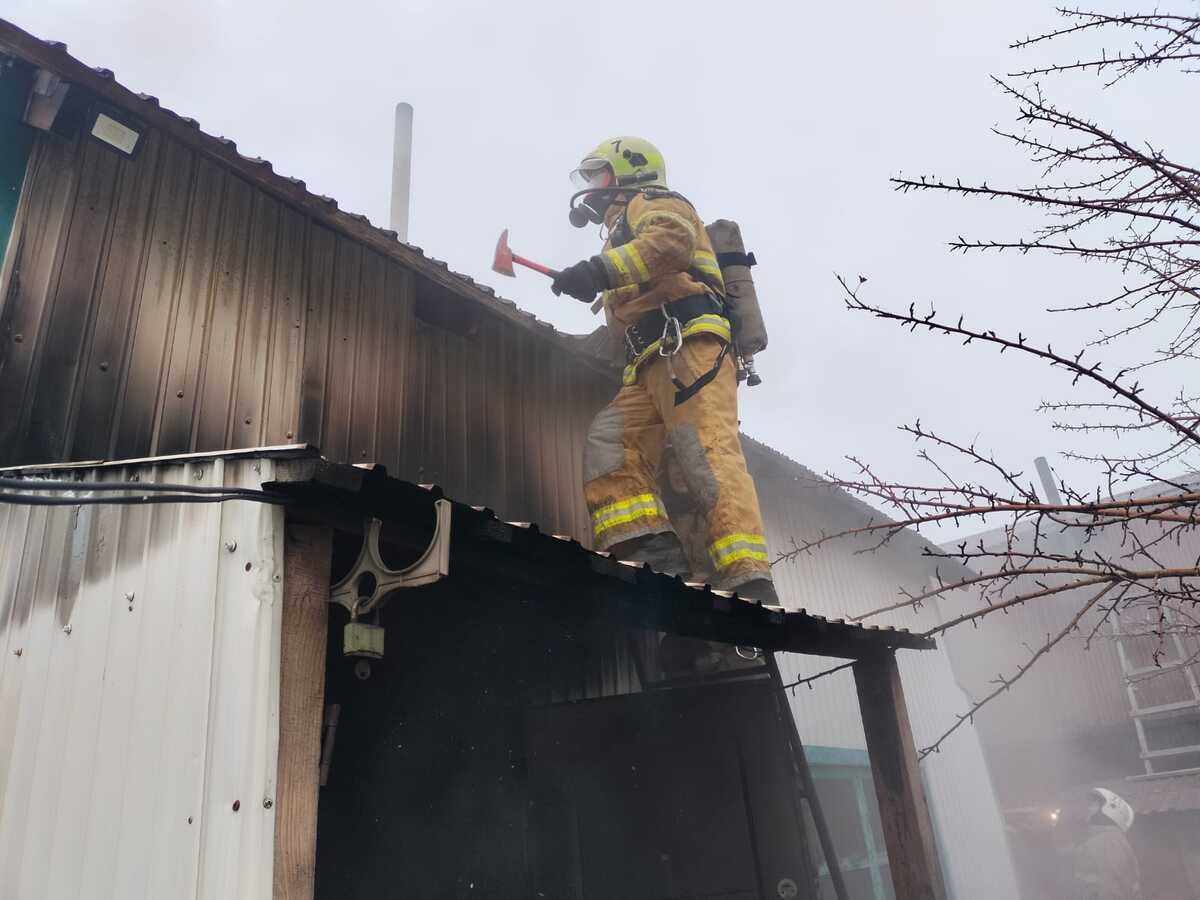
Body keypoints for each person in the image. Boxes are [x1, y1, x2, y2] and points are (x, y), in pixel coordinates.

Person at [551, 136, 777, 604]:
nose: (592, 187)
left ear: (627, 171)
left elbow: (671, 243)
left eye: (598, 175)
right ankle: (654, 551)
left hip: (689, 350)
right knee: (611, 442)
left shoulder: (653, 201)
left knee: (705, 452)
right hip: (649, 365)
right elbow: (629, 318)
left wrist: (598, 270)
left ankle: (748, 576)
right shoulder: (619, 237)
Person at [1071, 788, 1141, 900]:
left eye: (1093, 805)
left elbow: (1112, 885)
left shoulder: (1109, 840)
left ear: (1109, 812)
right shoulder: (1101, 838)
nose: (1088, 809)